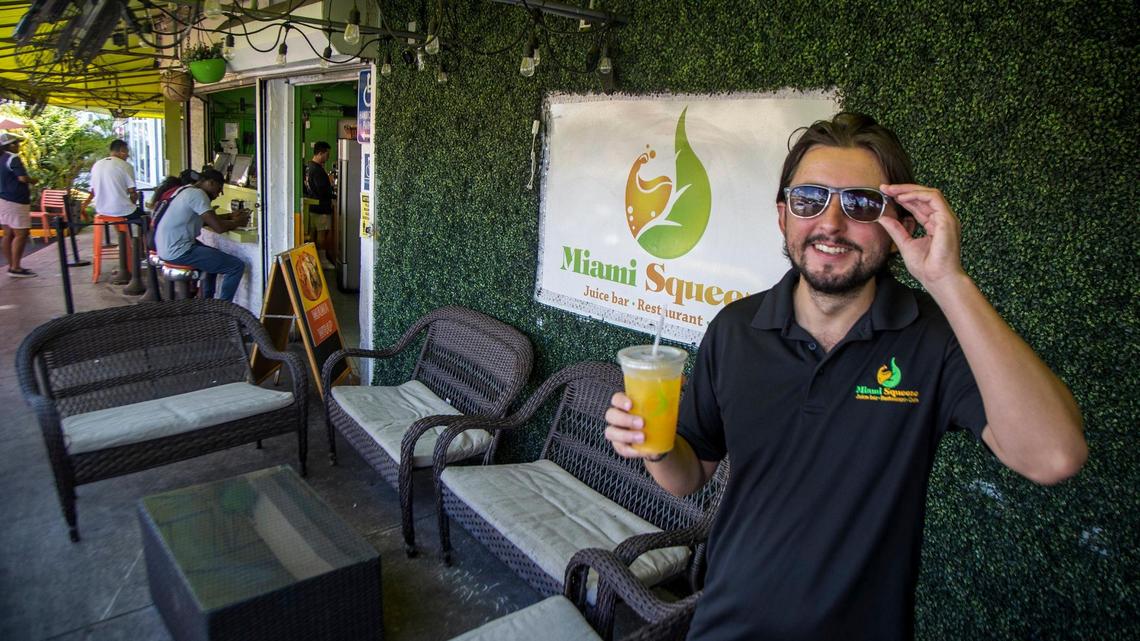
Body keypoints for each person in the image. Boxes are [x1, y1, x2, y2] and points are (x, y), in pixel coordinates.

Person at [604, 112, 1087, 641]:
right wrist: (652, 446)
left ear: (897, 221)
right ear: (783, 216)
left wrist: (948, 280)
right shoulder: (736, 329)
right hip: (726, 623)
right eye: (810, 200)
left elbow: (1053, 456)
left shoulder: (933, 337)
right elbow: (689, 473)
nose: (830, 225)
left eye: (860, 205)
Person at [154, 169, 249, 302]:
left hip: (166, 247)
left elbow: (205, 220)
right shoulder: (198, 195)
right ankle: (224, 310)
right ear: (210, 183)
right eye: (219, 189)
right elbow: (219, 227)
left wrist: (229, 216)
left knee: (213, 259)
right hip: (179, 250)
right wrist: (238, 222)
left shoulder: (185, 190)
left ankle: (207, 303)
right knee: (235, 266)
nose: (218, 195)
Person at [0, 132, 39, 277]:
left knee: (7, 234)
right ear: (10, 145)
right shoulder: (13, 158)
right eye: (17, 143)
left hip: (3, 199)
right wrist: (33, 180)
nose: (19, 146)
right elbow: (22, 178)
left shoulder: (1, 158)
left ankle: (11, 265)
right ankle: (16, 268)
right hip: (16, 200)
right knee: (21, 234)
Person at [303, 140, 335, 269]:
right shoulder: (318, 171)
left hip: (312, 205)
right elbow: (323, 190)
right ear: (321, 153)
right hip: (322, 207)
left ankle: (313, 260)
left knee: (313, 234)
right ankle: (322, 260)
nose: (328, 157)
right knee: (322, 233)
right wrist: (331, 184)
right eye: (327, 154)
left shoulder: (308, 167)